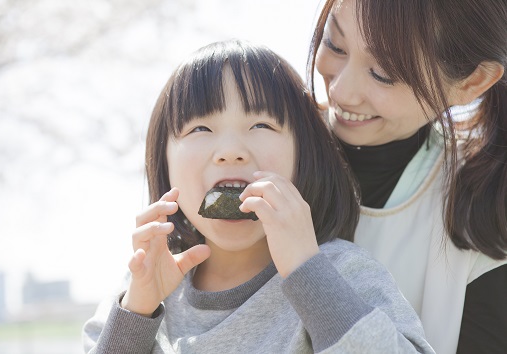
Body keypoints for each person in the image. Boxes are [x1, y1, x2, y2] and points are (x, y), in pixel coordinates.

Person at [82, 39, 435, 353]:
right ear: (164, 162)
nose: (231, 151)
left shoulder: (340, 272)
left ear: (304, 156)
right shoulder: (141, 292)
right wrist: (138, 312)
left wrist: (307, 273)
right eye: (200, 128)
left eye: (262, 125)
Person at [308, 0, 507, 353]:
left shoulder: (488, 216)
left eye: (383, 72)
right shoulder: (255, 149)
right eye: (335, 44)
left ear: (473, 81)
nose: (340, 90)